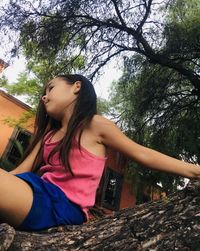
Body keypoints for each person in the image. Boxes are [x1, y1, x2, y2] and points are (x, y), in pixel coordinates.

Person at [0, 74, 200, 231]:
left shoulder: (95, 125)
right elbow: (18, 173)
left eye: (51, 88)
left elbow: (142, 154)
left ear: (76, 87)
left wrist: (194, 170)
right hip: (37, 192)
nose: (44, 96)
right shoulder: (49, 136)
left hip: (64, 207)